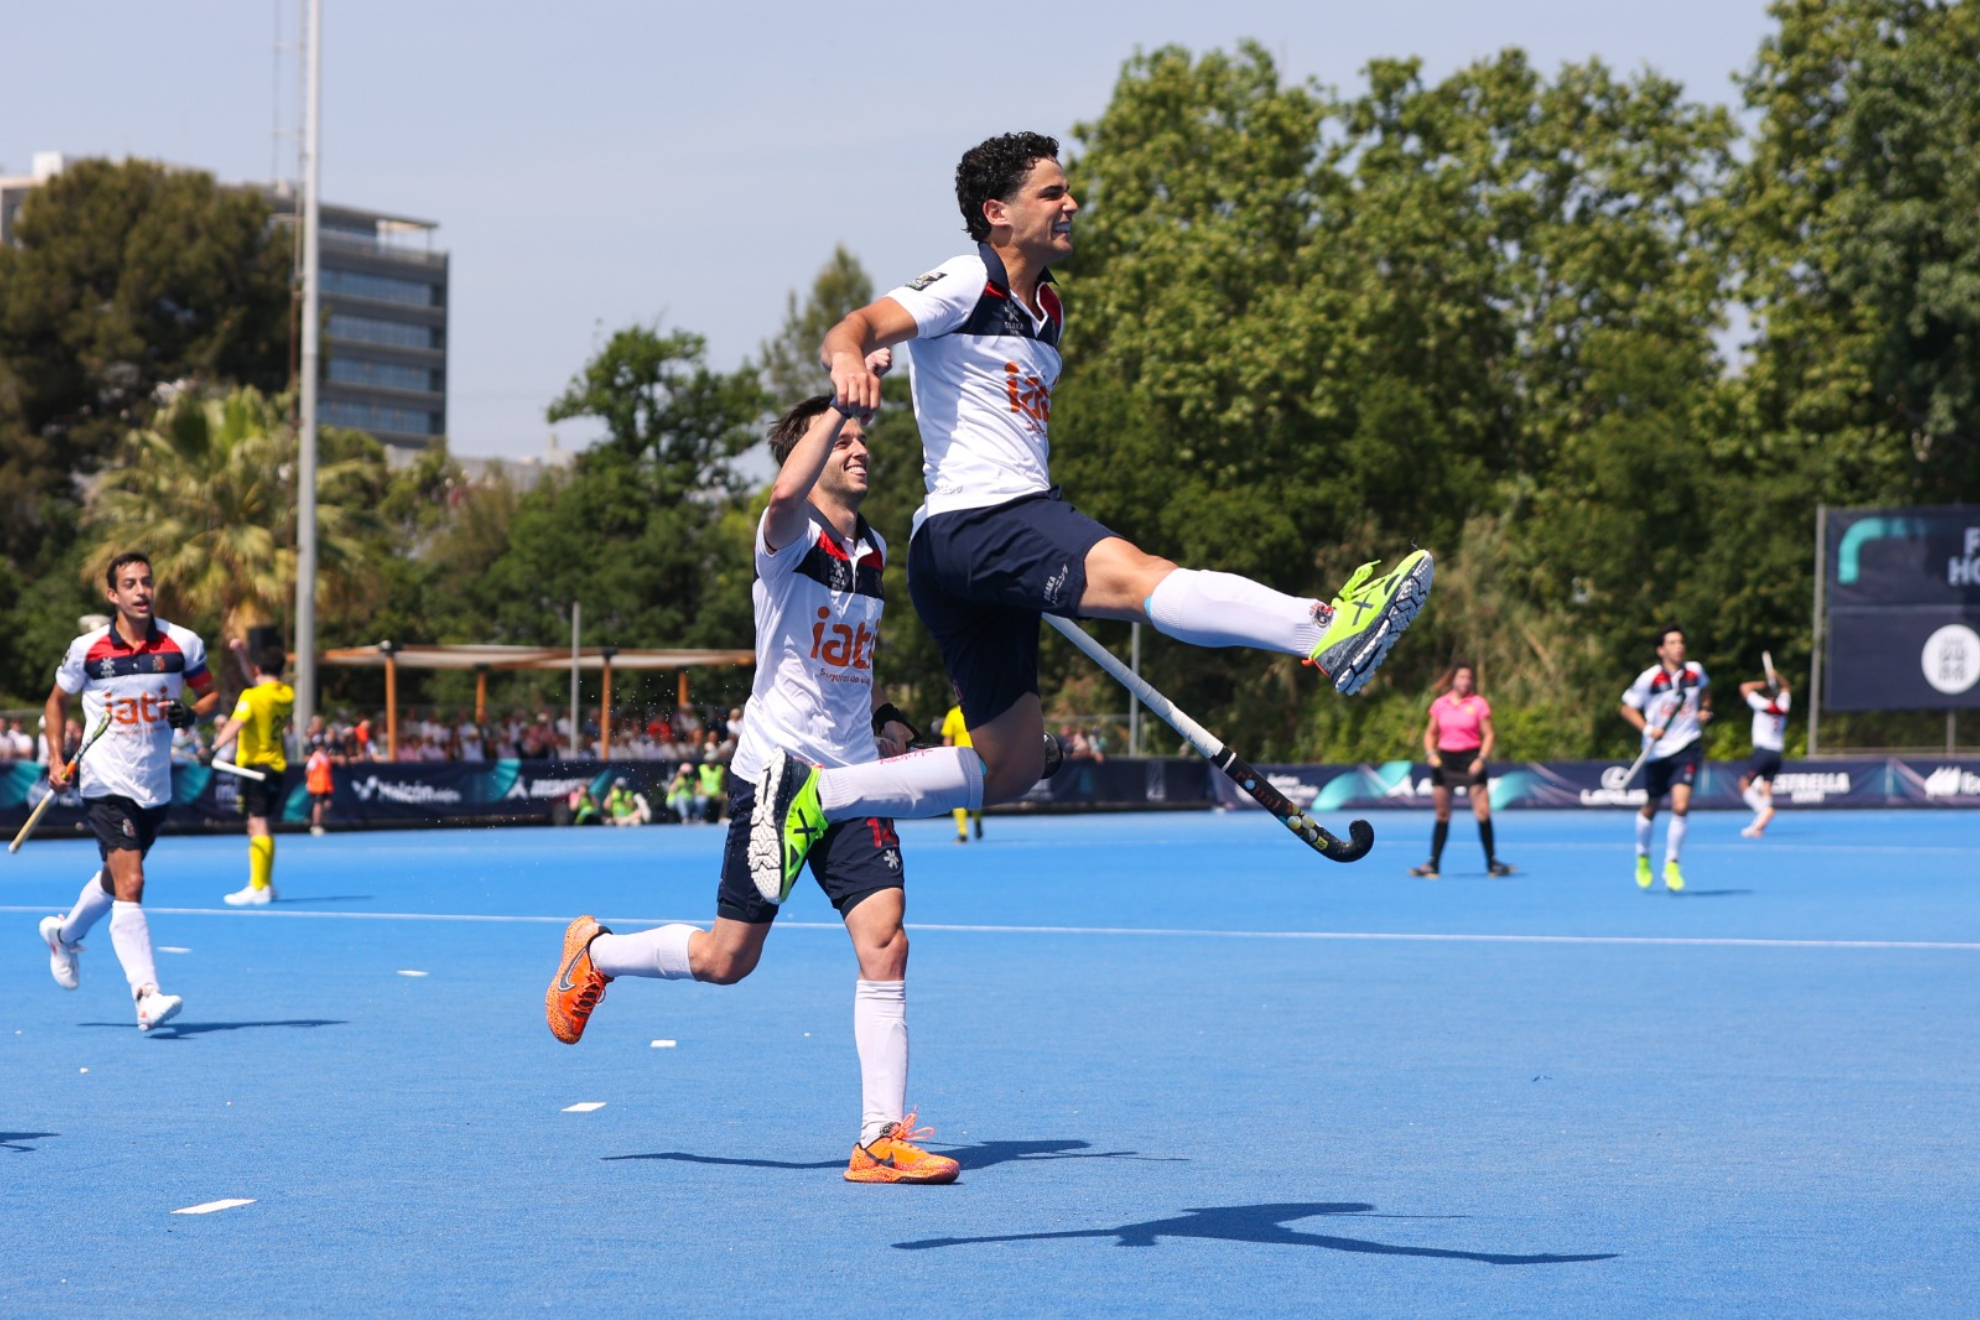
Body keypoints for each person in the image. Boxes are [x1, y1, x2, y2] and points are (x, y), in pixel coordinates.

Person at [750, 131, 1435, 903]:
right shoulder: (964, 279)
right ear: (997, 213)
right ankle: (1322, 628)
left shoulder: (1047, 309)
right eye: (1052, 193)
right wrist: (850, 357)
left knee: (1009, 767)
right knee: (1140, 576)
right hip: (983, 520)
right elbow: (853, 326)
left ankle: (818, 797)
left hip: (973, 547)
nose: (1071, 203)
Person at [545, 384, 959, 1185]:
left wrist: (889, 721)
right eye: (840, 440)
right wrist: (839, 401)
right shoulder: (787, 537)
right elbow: (781, 491)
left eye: (861, 438)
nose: (859, 447)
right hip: (777, 774)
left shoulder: (872, 552)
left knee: (888, 940)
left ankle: (878, 1140)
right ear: (807, 454)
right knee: (728, 960)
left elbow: (855, 668)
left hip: (851, 779)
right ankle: (597, 953)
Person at [36, 552, 218, 1030]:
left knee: (115, 877)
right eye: (130, 584)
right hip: (104, 782)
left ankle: (64, 934)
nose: (141, 591)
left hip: (153, 786)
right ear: (112, 595)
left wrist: (192, 713)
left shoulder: (183, 643)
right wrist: (57, 759)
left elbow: (211, 694)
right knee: (132, 882)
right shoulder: (88, 649)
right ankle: (146, 995)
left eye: (147, 582)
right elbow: (56, 701)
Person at [1620, 626, 1712, 892]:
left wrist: (1705, 709)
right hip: (1657, 751)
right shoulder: (1650, 678)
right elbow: (1627, 708)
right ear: (1661, 650)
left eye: (1681, 642)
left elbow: (1706, 691)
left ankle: (1672, 863)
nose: (1678, 646)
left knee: (1680, 806)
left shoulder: (1696, 671)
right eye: (1672, 642)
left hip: (1687, 746)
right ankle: (1643, 856)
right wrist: (1649, 729)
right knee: (1651, 807)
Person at [205, 640, 295, 906]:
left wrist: (214, 747)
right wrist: (243, 654)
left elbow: (236, 722)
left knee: (257, 824)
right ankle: (265, 880)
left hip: (255, 766)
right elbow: (259, 681)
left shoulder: (252, 697)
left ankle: (258, 886)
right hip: (276, 765)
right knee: (262, 822)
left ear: (258, 668)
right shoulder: (285, 694)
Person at [1409, 662, 1512, 878]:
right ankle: (1433, 863)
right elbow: (1430, 734)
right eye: (1462, 677)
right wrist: (1431, 754)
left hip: (1471, 759)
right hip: (1445, 760)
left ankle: (1492, 862)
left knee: (1483, 812)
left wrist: (1481, 759)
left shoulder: (1478, 704)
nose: (1466, 681)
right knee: (1442, 814)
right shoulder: (1440, 704)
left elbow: (1489, 734)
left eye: (1469, 678)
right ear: (1453, 679)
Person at [1738, 672, 1791, 838]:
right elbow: (1787, 688)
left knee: (1744, 783)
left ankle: (1763, 810)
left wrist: (1760, 684)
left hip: (1763, 751)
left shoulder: (1762, 704)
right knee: (1766, 788)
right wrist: (1777, 675)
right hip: (1777, 754)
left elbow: (1744, 687)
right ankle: (1759, 826)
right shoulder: (1783, 706)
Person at [939, 704, 982, 843]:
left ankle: (977, 820)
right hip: (960, 759)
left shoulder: (977, 710)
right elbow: (948, 738)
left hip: (977, 757)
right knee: (958, 795)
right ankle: (963, 832)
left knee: (976, 794)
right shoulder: (953, 714)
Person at [304, 731, 335, 836]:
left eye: (322, 744)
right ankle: (316, 825)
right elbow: (308, 771)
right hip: (317, 786)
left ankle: (319, 823)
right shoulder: (315, 757)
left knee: (325, 805)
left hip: (325, 786)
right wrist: (309, 783)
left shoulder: (325, 757)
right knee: (318, 805)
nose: (321, 747)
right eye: (319, 745)